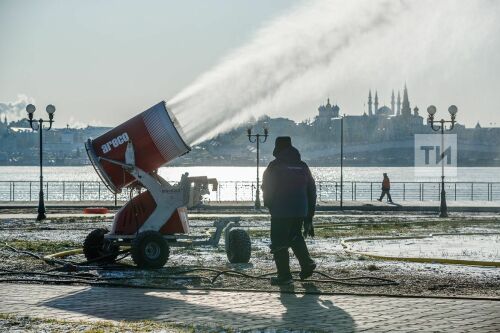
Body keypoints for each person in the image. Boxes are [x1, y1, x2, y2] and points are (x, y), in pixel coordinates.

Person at [262, 136, 317, 286]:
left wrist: (269, 205)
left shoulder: (274, 166)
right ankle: (307, 263)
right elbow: (312, 190)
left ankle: (284, 276)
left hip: (281, 209)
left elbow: (267, 187)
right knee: (295, 236)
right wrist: (309, 215)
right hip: (301, 209)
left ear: (277, 148)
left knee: (279, 242)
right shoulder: (303, 166)